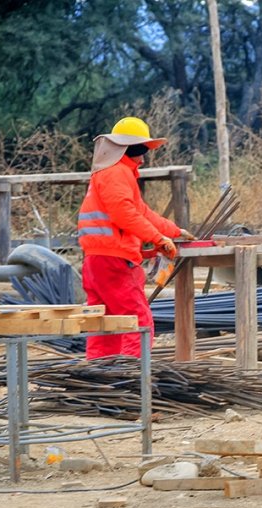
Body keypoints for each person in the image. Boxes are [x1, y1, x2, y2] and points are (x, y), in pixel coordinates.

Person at [78, 116, 193, 359]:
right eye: (141, 150)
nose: (143, 157)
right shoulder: (117, 173)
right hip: (115, 261)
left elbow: (141, 211)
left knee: (105, 325)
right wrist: (159, 239)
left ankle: (101, 381)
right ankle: (133, 383)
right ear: (128, 149)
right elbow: (125, 213)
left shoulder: (112, 172)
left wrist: (173, 231)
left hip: (97, 261)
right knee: (137, 321)